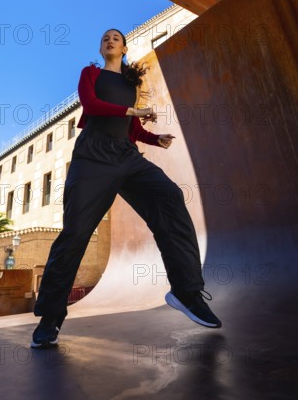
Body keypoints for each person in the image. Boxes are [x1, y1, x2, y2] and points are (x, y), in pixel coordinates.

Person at [31, 29, 221, 348]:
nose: (109, 40)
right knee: (75, 233)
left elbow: (131, 128)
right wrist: (134, 112)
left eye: (115, 38)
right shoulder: (90, 73)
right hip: (93, 156)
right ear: (100, 46)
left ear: (124, 48)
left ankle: (187, 292)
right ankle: (50, 318)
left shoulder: (130, 85)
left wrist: (153, 138)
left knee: (170, 198)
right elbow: (91, 105)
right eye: (104, 37)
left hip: (126, 155)